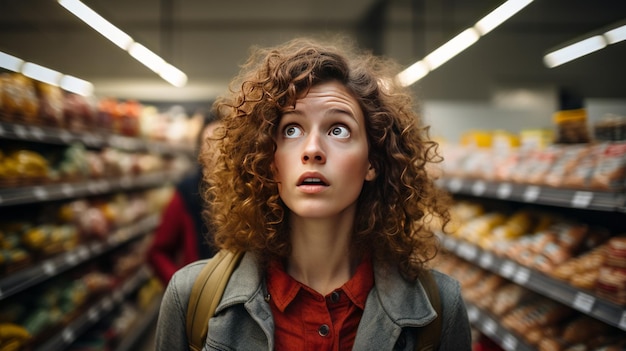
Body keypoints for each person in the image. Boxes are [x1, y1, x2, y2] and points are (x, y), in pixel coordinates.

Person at [156, 36, 472, 350]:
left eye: (338, 129)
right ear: (268, 161)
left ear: (372, 162)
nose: (312, 150)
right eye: (291, 129)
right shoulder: (190, 298)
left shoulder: (440, 309)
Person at [147, 115, 220, 284]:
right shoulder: (187, 191)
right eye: (208, 144)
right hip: (199, 294)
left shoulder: (246, 193)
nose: (214, 152)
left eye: (222, 143)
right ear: (200, 152)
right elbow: (157, 252)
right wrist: (181, 287)